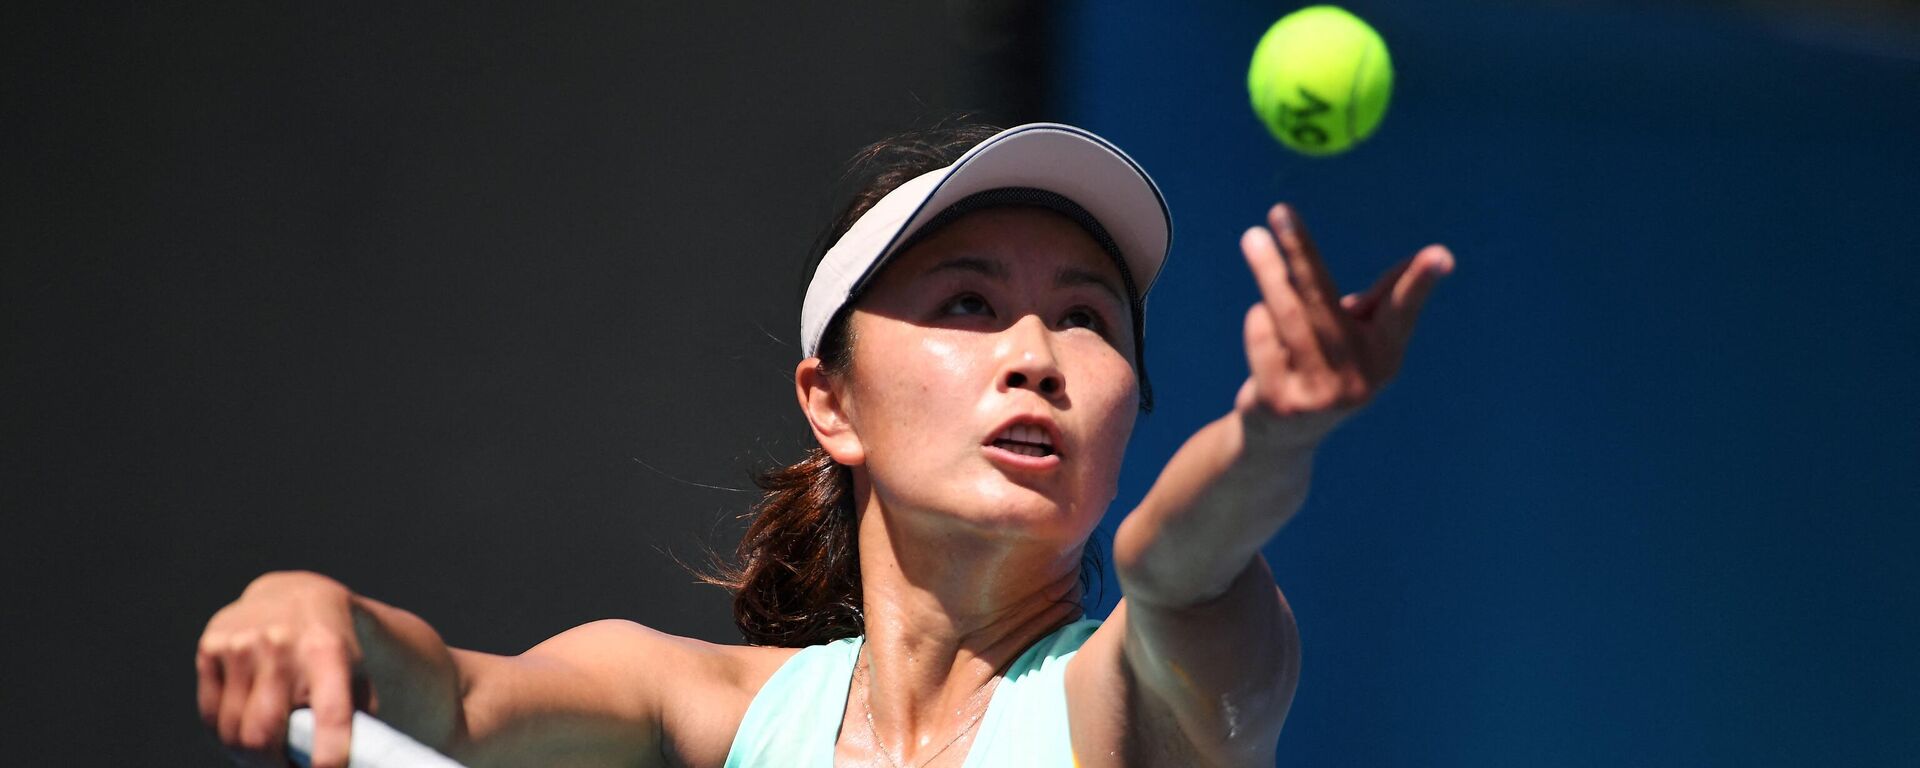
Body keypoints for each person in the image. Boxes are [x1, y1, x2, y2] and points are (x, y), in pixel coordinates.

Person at [196, 122, 1454, 767]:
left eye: (1086, 318)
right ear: (830, 404)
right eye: (968, 303)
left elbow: (1180, 562)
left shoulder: (1148, 695)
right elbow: (455, 701)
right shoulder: (695, 705)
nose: (1036, 354)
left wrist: (1271, 438)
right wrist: (306, 606)